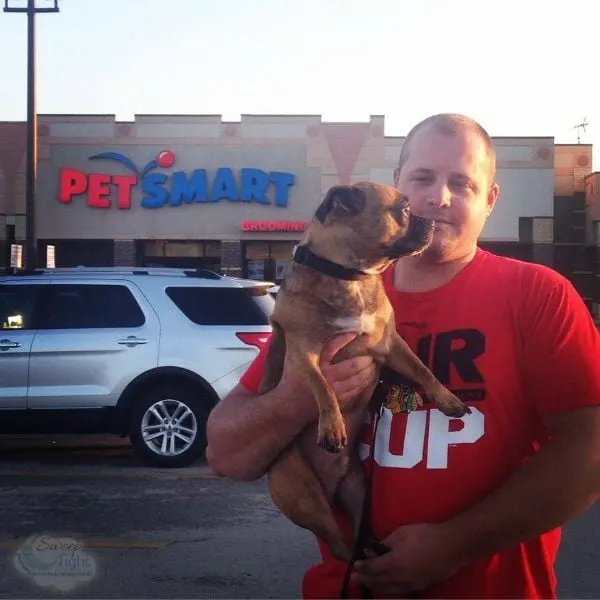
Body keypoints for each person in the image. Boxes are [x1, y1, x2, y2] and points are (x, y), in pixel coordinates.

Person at [205, 113, 600, 599]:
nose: (439, 198)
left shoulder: (538, 295)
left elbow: (590, 453)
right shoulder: (330, 297)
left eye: (463, 183)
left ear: (490, 200)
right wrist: (296, 399)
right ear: (397, 185)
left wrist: (451, 548)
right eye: (423, 178)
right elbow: (225, 454)